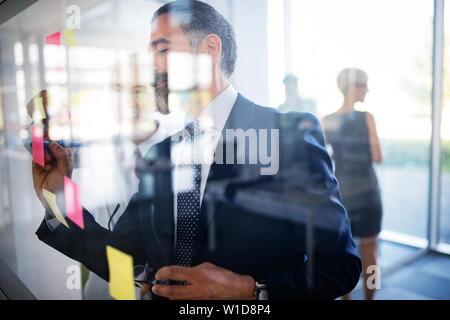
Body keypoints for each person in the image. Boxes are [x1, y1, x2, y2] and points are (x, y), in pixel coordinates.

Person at [32, 0, 361, 300]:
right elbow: (122, 257)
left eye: (161, 50)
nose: (152, 67)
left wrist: (252, 289)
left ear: (209, 49)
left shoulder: (286, 136)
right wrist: (60, 199)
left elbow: (340, 266)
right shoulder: (159, 156)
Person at [322, 68, 383, 300]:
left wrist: (342, 154)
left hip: (343, 194)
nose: (367, 89)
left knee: (344, 254)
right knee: (371, 253)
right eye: (363, 85)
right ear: (351, 87)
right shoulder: (367, 117)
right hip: (368, 192)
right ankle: (370, 298)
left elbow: (323, 158)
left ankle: (346, 298)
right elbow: (378, 156)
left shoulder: (327, 120)